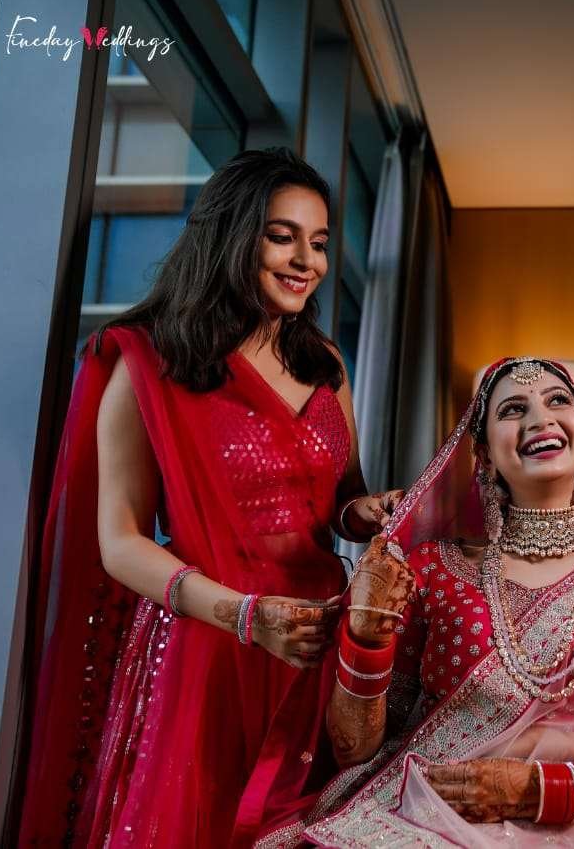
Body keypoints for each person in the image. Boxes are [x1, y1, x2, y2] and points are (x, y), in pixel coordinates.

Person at [20, 148, 401, 847]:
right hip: (208, 639)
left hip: (316, 637)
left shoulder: (324, 362)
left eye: (319, 243)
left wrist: (368, 511)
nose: (307, 261)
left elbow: (341, 502)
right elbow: (119, 542)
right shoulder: (148, 360)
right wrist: (246, 616)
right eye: (282, 236)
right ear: (232, 235)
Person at [256, 358, 574, 848]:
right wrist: (366, 635)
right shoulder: (431, 570)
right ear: (485, 455)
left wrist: (543, 791)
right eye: (513, 409)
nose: (540, 418)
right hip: (428, 816)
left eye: (559, 401)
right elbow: (355, 750)